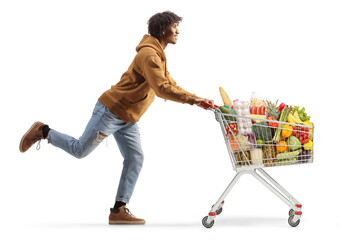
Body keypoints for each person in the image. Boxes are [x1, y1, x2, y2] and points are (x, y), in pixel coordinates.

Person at [19, 11, 214, 225]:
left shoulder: (158, 54)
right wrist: (193, 101)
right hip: (111, 112)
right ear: (162, 29)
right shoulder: (149, 54)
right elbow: (161, 88)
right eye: (175, 26)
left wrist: (197, 98)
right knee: (79, 150)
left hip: (128, 117)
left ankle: (119, 209)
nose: (178, 31)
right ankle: (44, 131)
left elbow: (169, 82)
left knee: (135, 157)